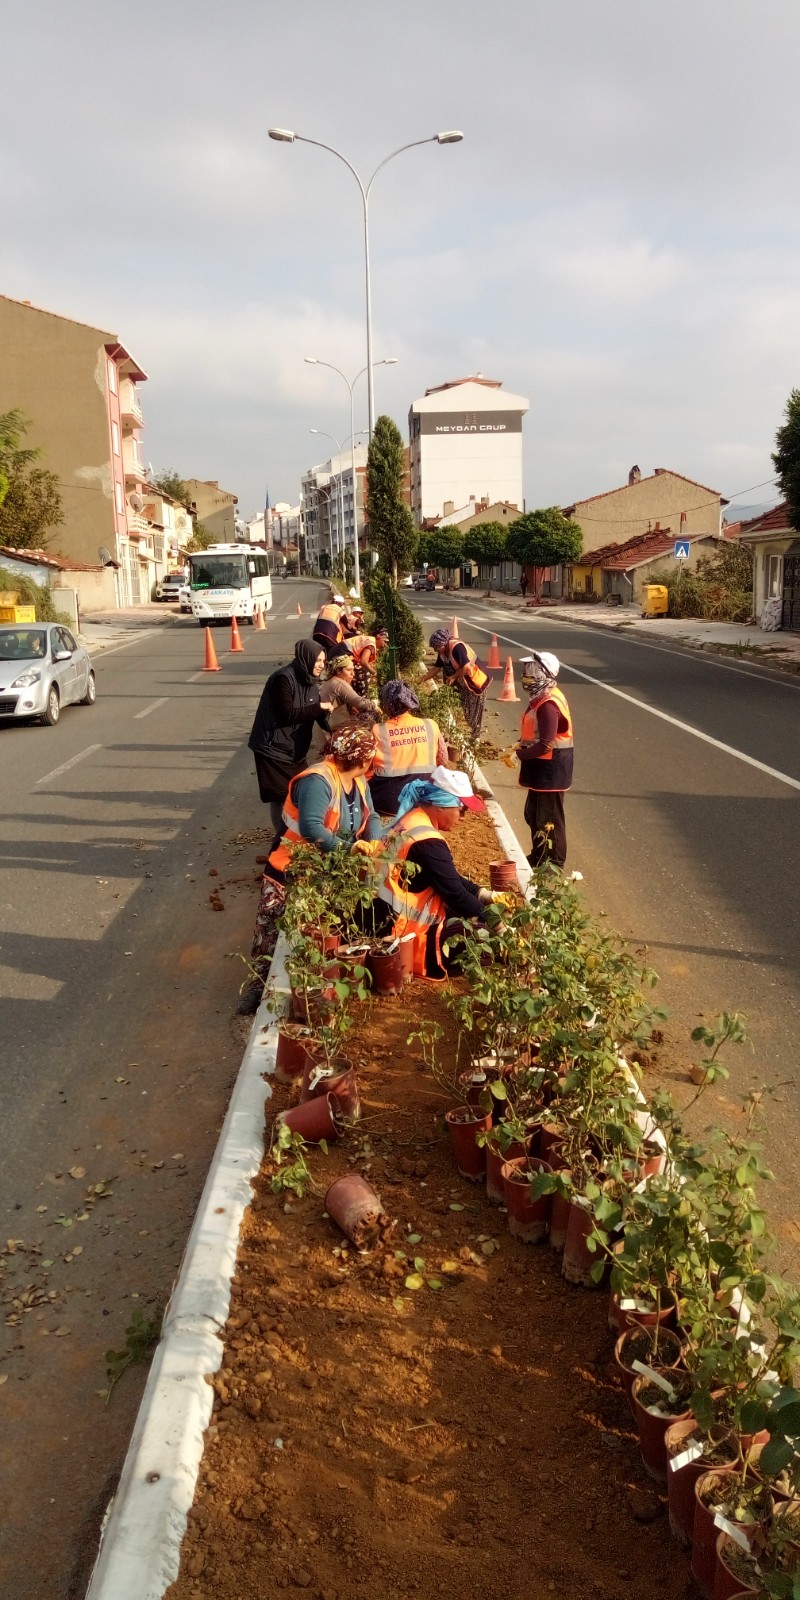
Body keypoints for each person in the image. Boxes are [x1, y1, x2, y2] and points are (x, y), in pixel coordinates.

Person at [358, 767, 499, 978]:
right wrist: (498, 926)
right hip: (400, 933)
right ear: (442, 805)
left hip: (376, 916)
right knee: (482, 935)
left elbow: (447, 878)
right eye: (461, 810)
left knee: (470, 911)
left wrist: (484, 894)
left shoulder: (412, 820)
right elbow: (455, 894)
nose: (462, 818)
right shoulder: (429, 843)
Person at [247, 640, 334, 843]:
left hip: (294, 751)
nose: (321, 664)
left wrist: (331, 731)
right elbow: (287, 714)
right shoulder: (283, 679)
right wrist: (320, 708)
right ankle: (282, 839)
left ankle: (292, 835)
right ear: (307, 658)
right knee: (281, 795)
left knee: (299, 790)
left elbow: (314, 710)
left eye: (324, 661)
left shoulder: (310, 681)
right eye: (318, 660)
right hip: (272, 748)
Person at [267, 725, 382, 875]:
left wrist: (373, 839)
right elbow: (311, 828)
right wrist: (349, 848)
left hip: (334, 860)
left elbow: (371, 814)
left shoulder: (358, 779)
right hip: (298, 864)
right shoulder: (317, 782)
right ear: (363, 761)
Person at [515, 652, 573, 870]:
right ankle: (539, 855)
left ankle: (553, 863)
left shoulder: (548, 703)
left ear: (543, 673)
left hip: (551, 769)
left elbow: (546, 743)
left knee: (549, 819)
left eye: (530, 671)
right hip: (541, 766)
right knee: (534, 814)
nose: (525, 676)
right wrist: (520, 745)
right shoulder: (540, 698)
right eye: (525, 672)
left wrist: (518, 754)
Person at [370, 679, 448, 816]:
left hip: (387, 802)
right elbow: (443, 760)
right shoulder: (430, 725)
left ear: (386, 704)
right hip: (423, 801)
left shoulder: (377, 730)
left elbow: (366, 767)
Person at [426, 628, 489, 738]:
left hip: (475, 680)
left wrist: (453, 677)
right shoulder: (443, 653)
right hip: (464, 683)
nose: (435, 650)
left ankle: (476, 737)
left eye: (436, 647)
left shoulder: (457, 648)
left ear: (443, 643)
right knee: (467, 711)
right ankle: (474, 733)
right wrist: (420, 680)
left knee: (474, 713)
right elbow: (435, 669)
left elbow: (466, 666)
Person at [324, 653, 380, 731]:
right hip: (333, 725)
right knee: (371, 723)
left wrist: (351, 706)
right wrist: (375, 704)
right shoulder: (340, 683)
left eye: (353, 670)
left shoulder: (331, 681)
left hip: (326, 723)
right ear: (338, 671)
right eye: (349, 670)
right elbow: (360, 702)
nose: (352, 674)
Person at [348, 625, 388, 697]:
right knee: (364, 674)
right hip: (340, 655)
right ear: (378, 637)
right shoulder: (371, 645)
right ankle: (361, 699)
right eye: (384, 641)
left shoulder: (370, 641)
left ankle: (356, 699)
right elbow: (363, 661)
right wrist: (374, 673)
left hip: (342, 655)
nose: (385, 645)